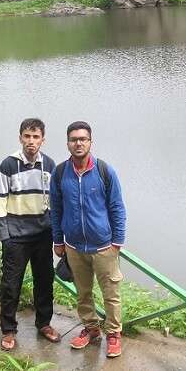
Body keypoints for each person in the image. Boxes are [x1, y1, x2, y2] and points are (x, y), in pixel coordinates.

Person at [50, 121, 127, 358]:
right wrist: (58, 240)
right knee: (83, 293)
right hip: (74, 247)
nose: (78, 143)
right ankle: (91, 329)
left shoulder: (105, 171)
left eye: (83, 139)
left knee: (110, 294)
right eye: (74, 139)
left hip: (104, 246)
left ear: (90, 142)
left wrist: (117, 241)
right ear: (68, 144)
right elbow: (56, 208)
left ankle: (113, 334)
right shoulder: (61, 172)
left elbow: (117, 207)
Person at [0, 118, 61, 351]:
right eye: (27, 136)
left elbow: (55, 202)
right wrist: (6, 237)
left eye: (36, 137)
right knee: (11, 285)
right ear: (20, 137)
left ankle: (44, 324)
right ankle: (9, 329)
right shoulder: (8, 165)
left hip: (43, 235)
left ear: (43, 139)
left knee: (45, 282)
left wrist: (56, 233)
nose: (31, 142)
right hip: (16, 238)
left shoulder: (50, 165)